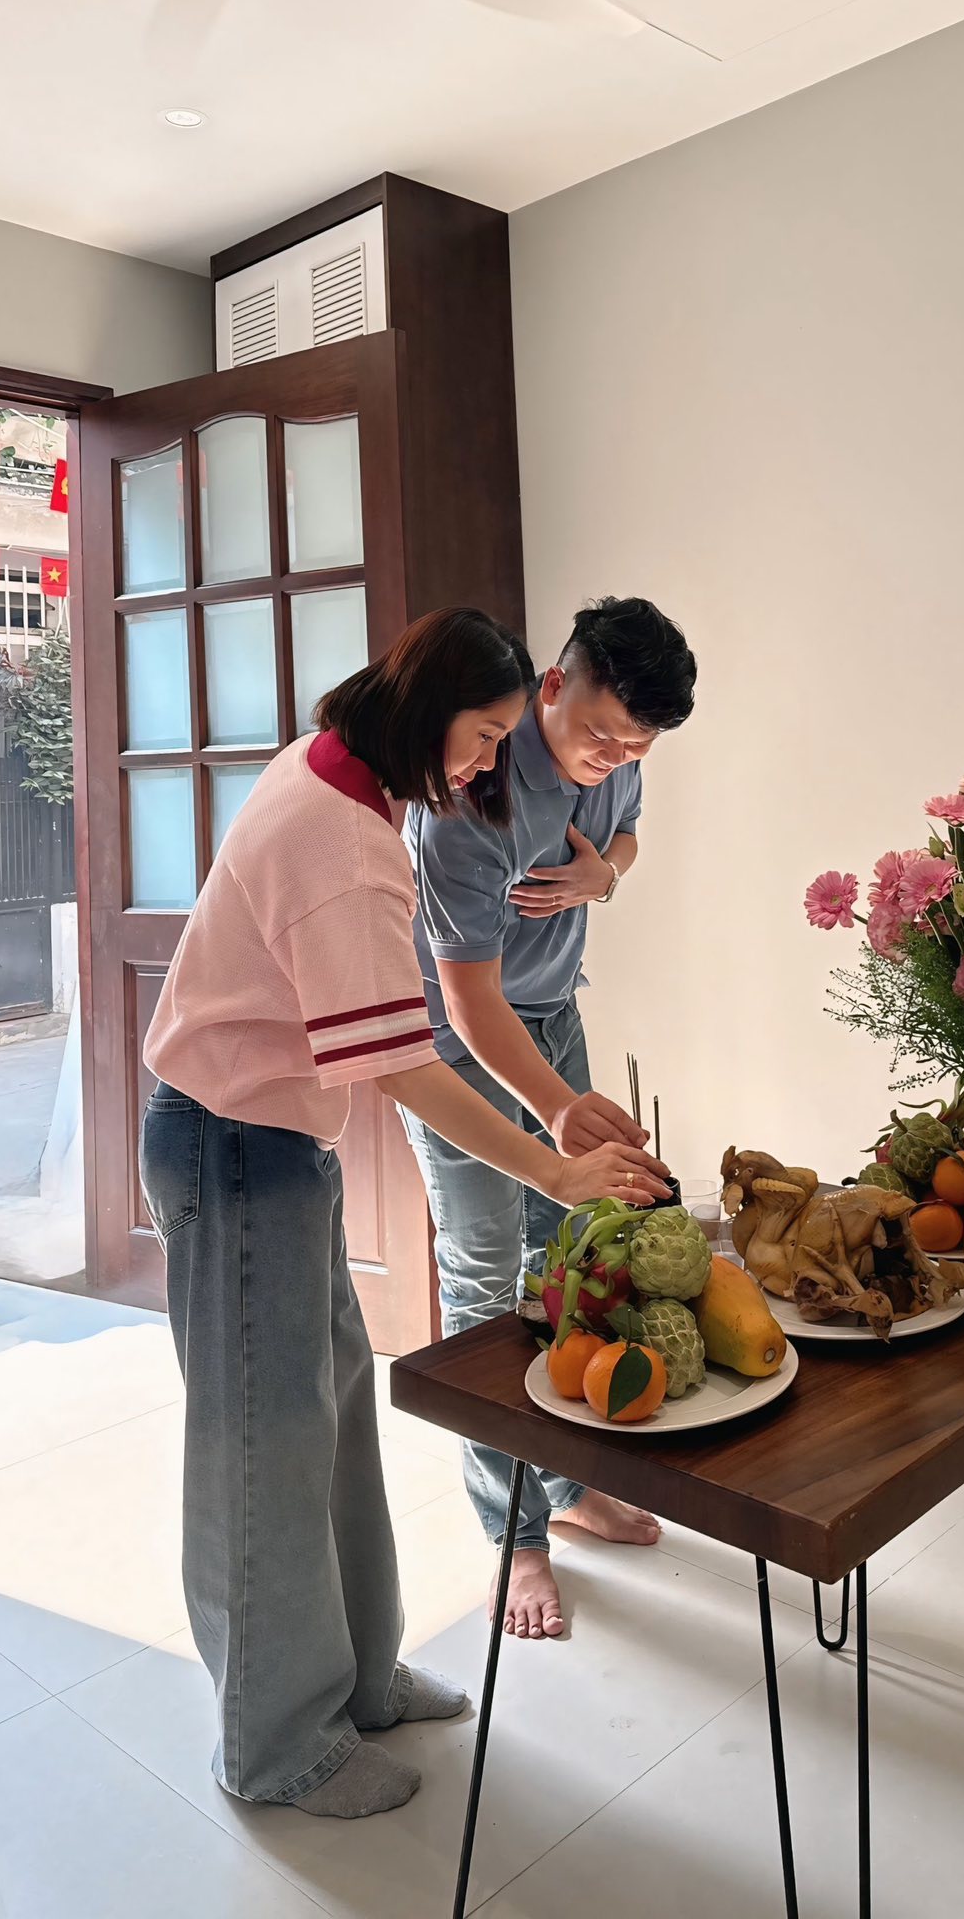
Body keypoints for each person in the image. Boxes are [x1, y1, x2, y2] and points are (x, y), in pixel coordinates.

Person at [138, 608, 669, 1822]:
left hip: (278, 1139)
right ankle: (276, 1745)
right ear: (430, 711)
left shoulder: (349, 774)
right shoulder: (344, 838)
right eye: (481, 736)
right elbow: (409, 1063)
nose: (485, 764)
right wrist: (553, 1166)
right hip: (231, 1142)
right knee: (263, 1448)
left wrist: (553, 1127)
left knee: (327, 1417)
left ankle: (358, 1682)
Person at [401, 596, 697, 1641]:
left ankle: (567, 1485)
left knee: (572, 1258)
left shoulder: (618, 756)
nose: (612, 759)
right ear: (553, 687)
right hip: (456, 1045)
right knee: (486, 1276)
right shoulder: (466, 800)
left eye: (635, 746)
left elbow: (629, 838)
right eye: (601, 736)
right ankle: (513, 1531)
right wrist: (559, 1109)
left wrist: (602, 876)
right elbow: (469, 1005)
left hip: (553, 1015)